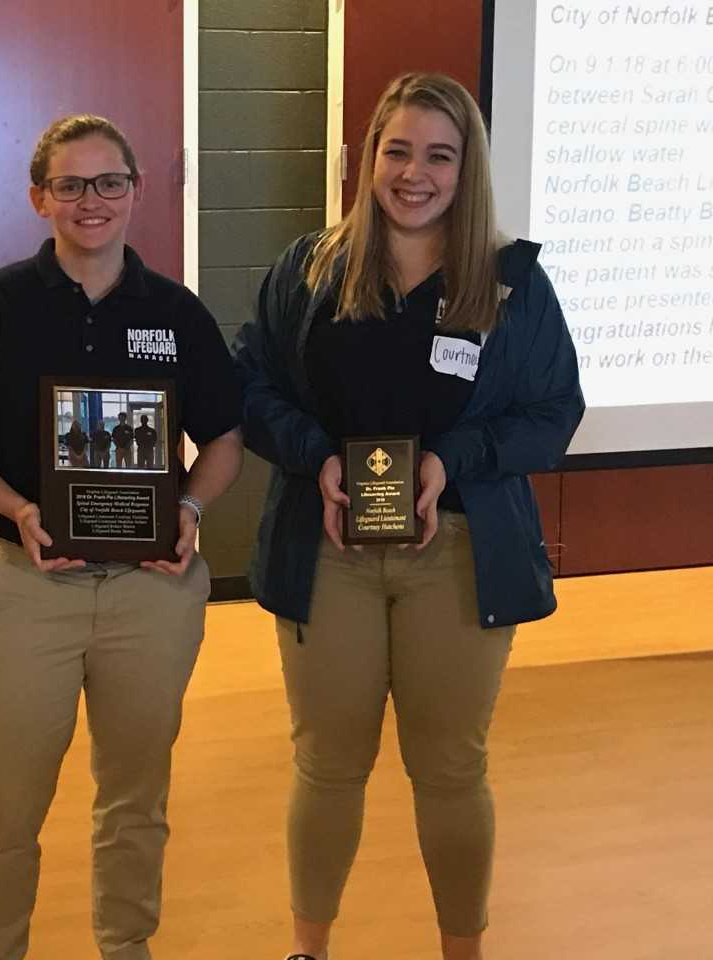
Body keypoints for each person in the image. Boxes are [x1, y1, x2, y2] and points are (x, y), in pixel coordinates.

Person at [233, 73, 583, 960]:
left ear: (467, 172)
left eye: (439, 155)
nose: (414, 174)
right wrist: (315, 458)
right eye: (398, 151)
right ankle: (308, 950)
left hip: (461, 554)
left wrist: (447, 461)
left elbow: (553, 414)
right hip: (330, 553)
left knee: (451, 770)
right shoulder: (310, 268)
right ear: (367, 159)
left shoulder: (511, 287)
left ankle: (461, 950)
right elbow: (251, 384)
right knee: (326, 766)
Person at [0, 114, 244, 960]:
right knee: (6, 806)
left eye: (108, 183)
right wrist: (19, 509)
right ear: (40, 199)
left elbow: (224, 438)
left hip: (151, 592)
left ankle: (125, 947)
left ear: (137, 192)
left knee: (136, 799)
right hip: (24, 589)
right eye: (70, 185)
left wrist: (191, 509)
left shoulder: (176, 314)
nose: (90, 201)